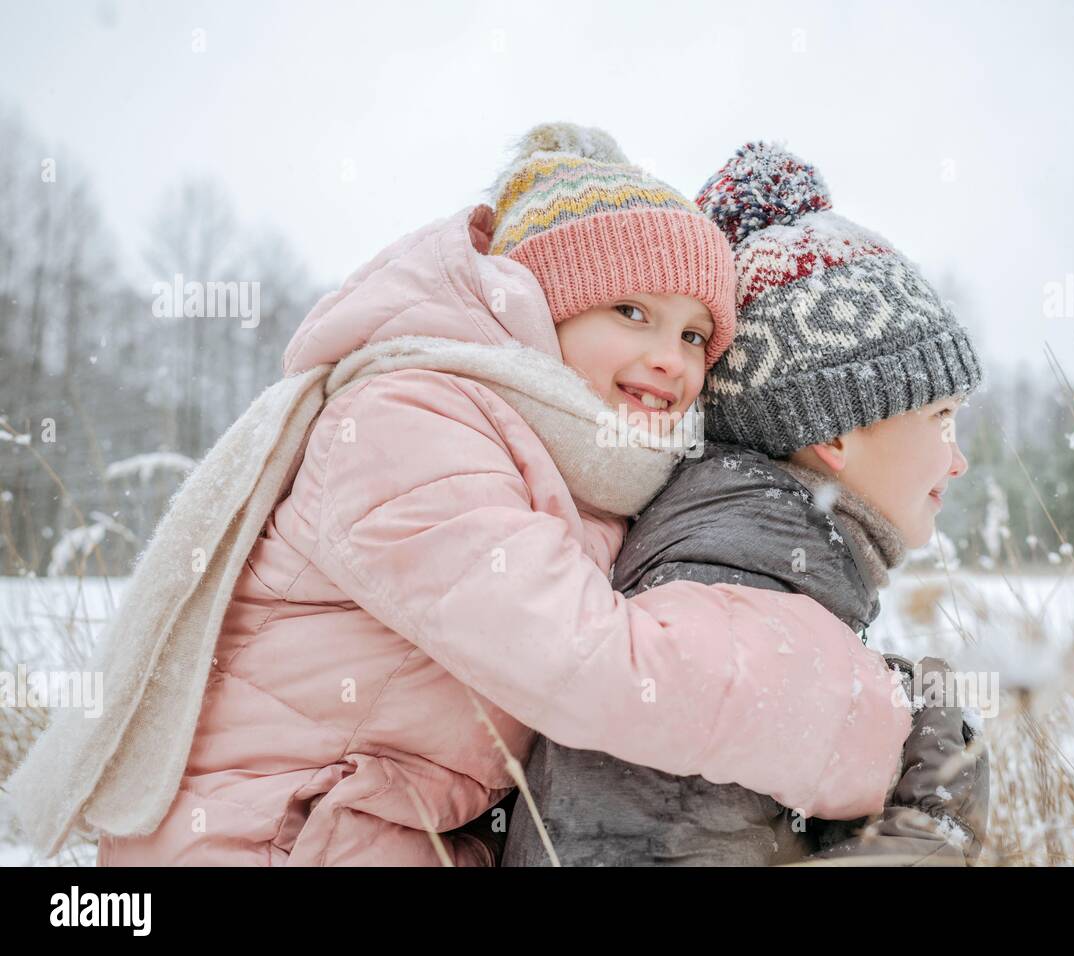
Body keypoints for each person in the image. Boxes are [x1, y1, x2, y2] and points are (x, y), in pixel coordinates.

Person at [5, 125, 911, 866]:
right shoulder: (410, 418)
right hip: (269, 840)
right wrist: (863, 729)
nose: (669, 359)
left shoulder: (584, 466)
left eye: (694, 332)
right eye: (630, 312)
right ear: (540, 307)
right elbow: (589, 662)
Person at [503, 142, 989, 866]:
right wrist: (931, 795)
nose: (958, 458)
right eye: (941, 416)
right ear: (835, 431)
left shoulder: (760, 579)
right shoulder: (727, 593)